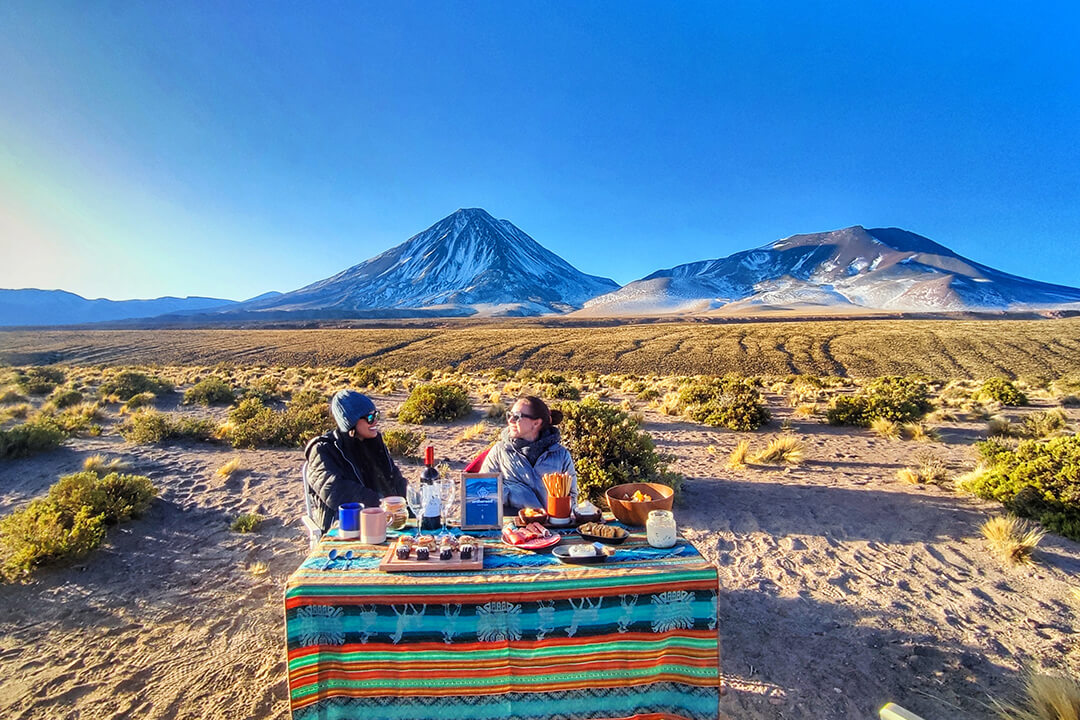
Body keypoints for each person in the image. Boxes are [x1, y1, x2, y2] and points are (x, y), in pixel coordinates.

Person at [304, 389, 407, 532]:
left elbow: (393, 479)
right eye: (370, 418)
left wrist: (406, 504)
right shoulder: (323, 449)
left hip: (383, 520)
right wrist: (380, 504)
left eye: (376, 415)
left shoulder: (373, 443)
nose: (375, 421)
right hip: (345, 527)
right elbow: (335, 490)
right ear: (350, 422)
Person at [480, 395, 578, 510]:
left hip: (551, 524)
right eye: (510, 415)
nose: (510, 420)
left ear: (536, 423)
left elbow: (572, 496)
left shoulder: (560, 455)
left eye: (517, 417)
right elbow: (482, 490)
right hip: (514, 525)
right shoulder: (499, 451)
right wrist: (517, 494)